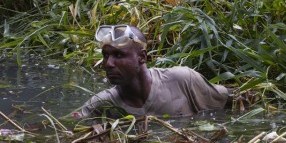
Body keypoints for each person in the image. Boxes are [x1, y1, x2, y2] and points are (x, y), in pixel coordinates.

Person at [72, 24, 231, 119]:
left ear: (142, 57)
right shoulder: (101, 105)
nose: (108, 63)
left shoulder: (182, 80)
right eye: (105, 55)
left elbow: (233, 101)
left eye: (118, 55)